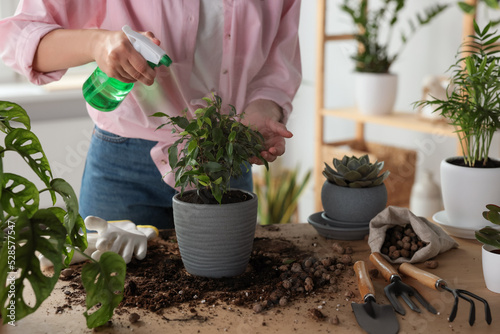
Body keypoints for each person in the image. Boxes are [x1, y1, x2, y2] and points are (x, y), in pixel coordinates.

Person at [0, 0, 302, 229]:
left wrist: (264, 111)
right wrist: (98, 43)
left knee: (231, 300)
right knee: (117, 302)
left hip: (226, 161)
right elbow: (20, 37)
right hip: (125, 169)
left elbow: (276, 67)